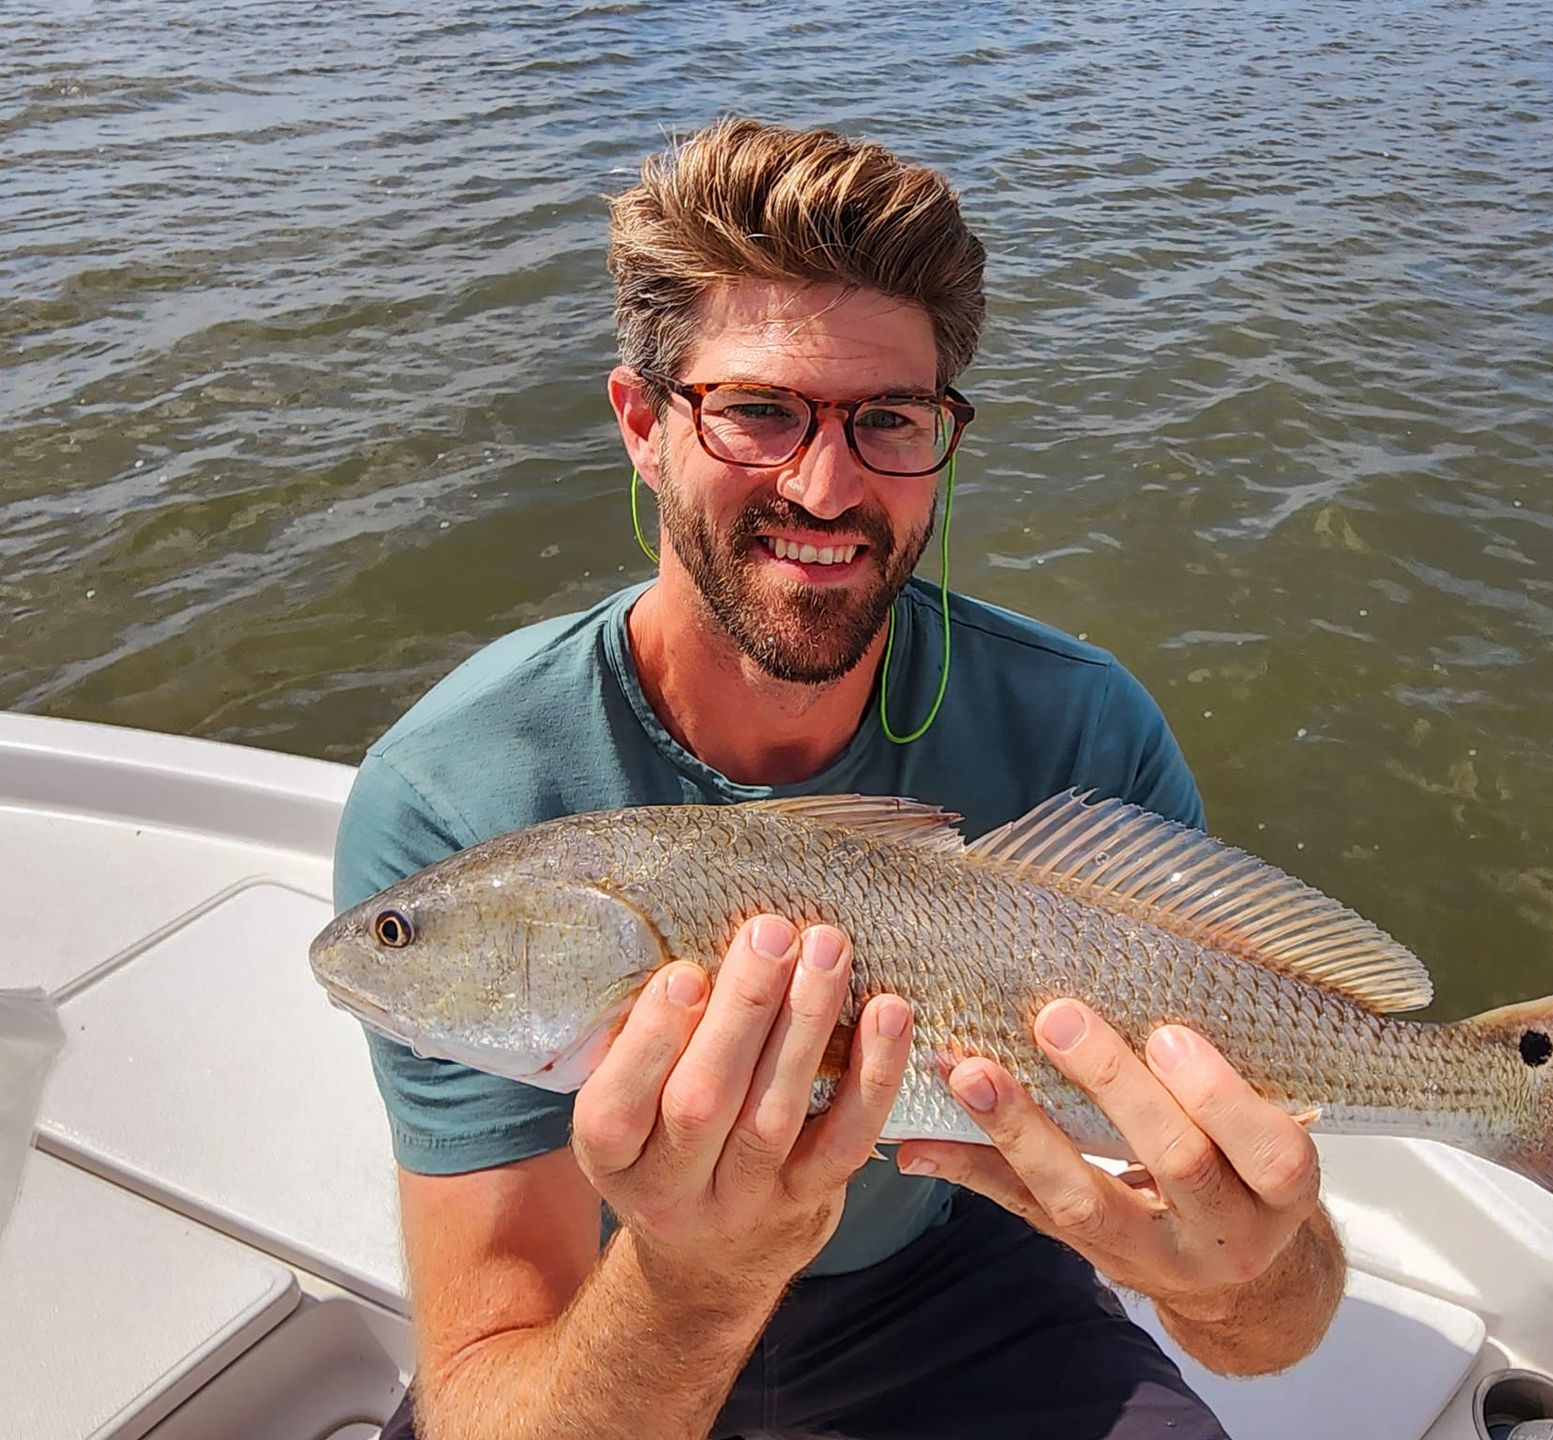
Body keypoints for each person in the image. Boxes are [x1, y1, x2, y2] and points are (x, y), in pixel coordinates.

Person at [333, 117, 1344, 1440]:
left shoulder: (1083, 729)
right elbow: (494, 1379)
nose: (825, 485)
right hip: (616, 1285)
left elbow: (1277, 1329)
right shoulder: (453, 792)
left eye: (887, 420)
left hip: (954, 1268)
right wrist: (699, 1276)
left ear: (945, 437)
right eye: (756, 409)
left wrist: (1236, 1274)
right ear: (642, 423)